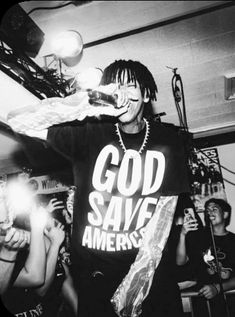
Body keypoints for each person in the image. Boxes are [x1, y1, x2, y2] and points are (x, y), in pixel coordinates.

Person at [7, 59, 190, 317]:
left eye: (130, 86)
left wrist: (136, 283)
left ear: (147, 94)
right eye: (115, 87)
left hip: (149, 274)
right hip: (95, 277)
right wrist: (88, 103)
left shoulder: (167, 141)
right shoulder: (90, 133)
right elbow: (19, 120)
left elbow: (164, 215)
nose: (123, 94)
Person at [176, 198, 235, 317]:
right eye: (207, 210)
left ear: (225, 214)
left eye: (214, 209)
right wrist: (182, 235)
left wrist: (217, 288)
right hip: (202, 302)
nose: (209, 212)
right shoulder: (200, 237)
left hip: (229, 302)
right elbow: (180, 261)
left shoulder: (233, 241)